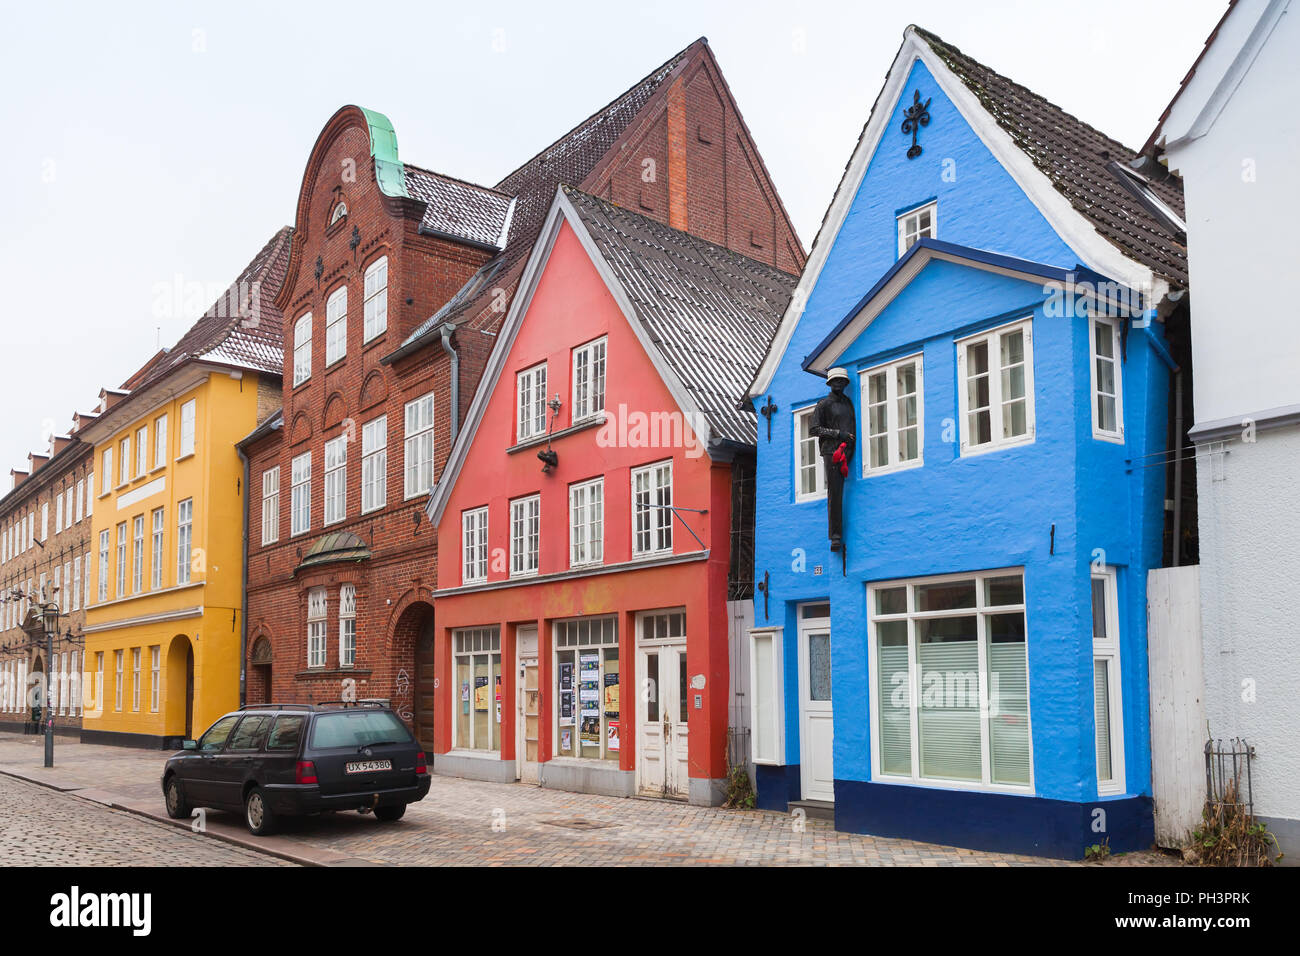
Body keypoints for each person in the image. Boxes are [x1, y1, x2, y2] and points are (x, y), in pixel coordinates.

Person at [810, 367, 856, 552]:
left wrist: (849, 444)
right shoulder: (823, 405)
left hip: (847, 451)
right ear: (829, 384)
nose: (839, 384)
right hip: (831, 451)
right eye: (835, 381)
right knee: (835, 490)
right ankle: (835, 536)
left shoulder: (848, 403)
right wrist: (838, 434)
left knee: (839, 488)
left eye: (842, 381)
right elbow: (814, 429)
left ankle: (837, 534)